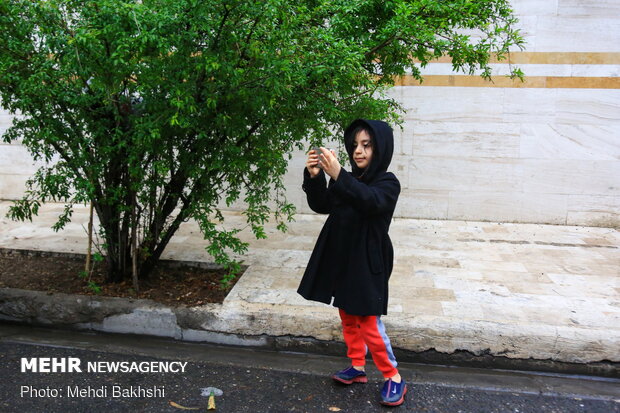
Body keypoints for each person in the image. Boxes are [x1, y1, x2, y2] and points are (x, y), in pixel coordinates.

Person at [298, 119, 405, 406]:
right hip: (343, 256)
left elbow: (370, 202)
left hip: (368, 260)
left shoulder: (387, 182)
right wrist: (316, 176)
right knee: (347, 315)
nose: (358, 151)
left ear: (380, 149)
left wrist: (339, 175)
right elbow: (322, 204)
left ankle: (393, 376)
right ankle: (357, 367)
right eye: (355, 145)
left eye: (366, 146)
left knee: (368, 320)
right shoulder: (349, 180)